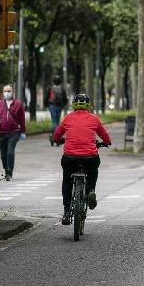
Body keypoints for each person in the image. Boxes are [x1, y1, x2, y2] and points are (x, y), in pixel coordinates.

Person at [53, 94, 111, 225]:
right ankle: (91, 191)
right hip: (90, 158)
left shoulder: (68, 118)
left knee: (67, 180)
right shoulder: (94, 118)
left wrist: (58, 140)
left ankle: (66, 212)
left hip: (69, 158)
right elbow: (104, 134)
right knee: (93, 171)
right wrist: (107, 142)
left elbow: (57, 134)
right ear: (88, 105)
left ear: (74, 105)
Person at [0, 85, 26, 181]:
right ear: (3, 92)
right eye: (5, 91)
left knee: (10, 152)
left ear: (13, 92)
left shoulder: (18, 104)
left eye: (9, 91)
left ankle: (9, 172)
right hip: (2, 132)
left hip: (14, 132)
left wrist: (22, 131)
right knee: (3, 155)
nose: (7, 93)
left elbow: (22, 119)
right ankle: (6, 169)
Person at [44, 76, 68, 146]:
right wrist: (63, 105)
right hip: (59, 106)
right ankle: (57, 137)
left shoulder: (50, 88)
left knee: (54, 122)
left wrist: (46, 104)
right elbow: (65, 98)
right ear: (60, 81)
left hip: (52, 106)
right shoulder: (62, 88)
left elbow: (46, 97)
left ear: (53, 81)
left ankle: (54, 136)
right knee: (57, 122)